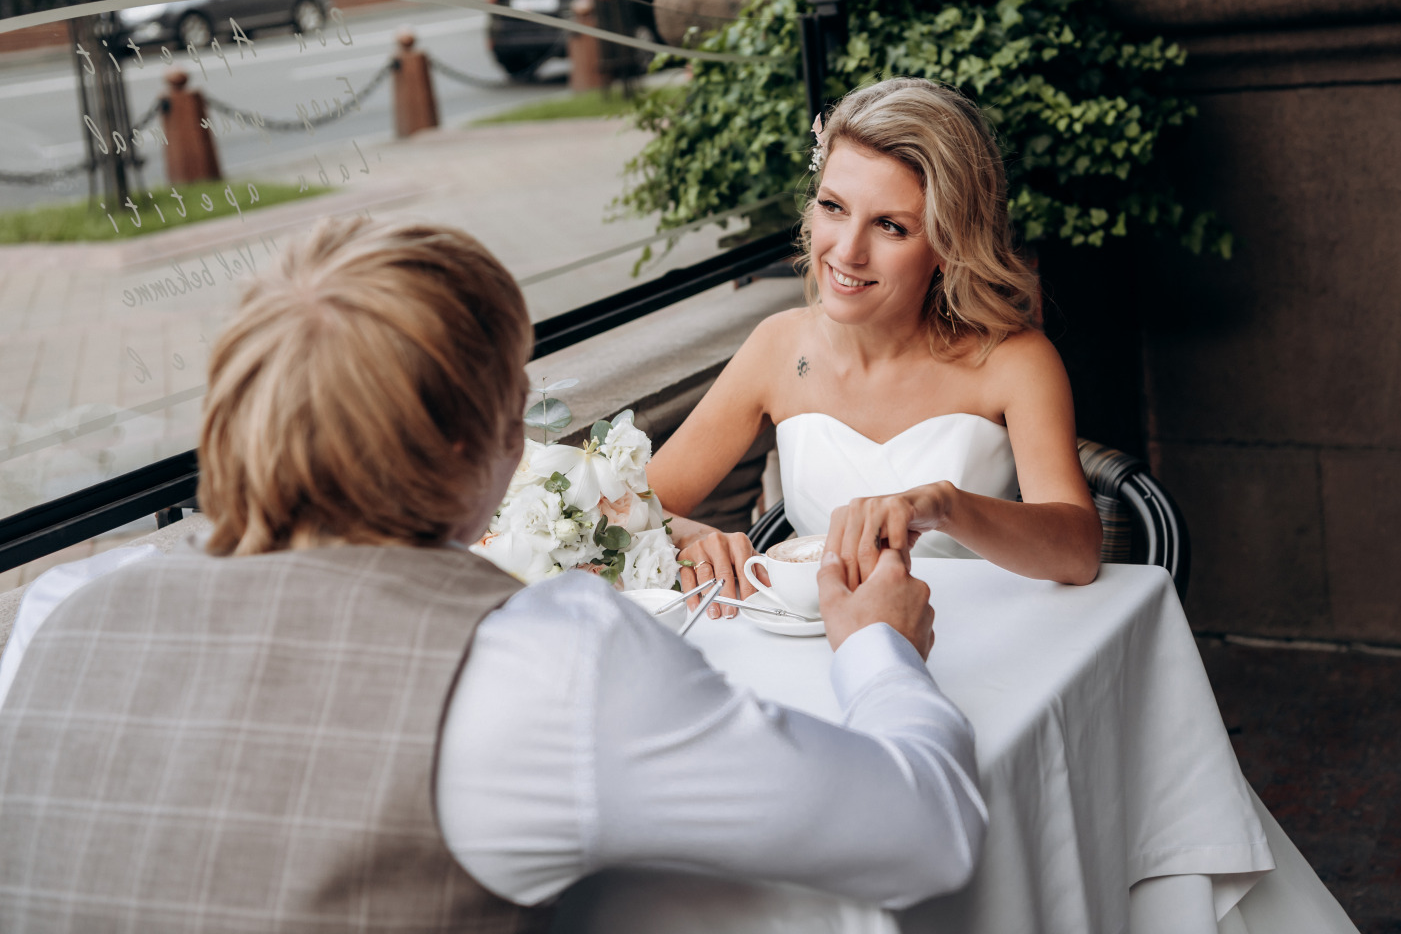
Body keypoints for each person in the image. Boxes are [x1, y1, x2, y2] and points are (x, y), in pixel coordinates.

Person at [0, 219, 984, 930]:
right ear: (481, 444)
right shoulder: (534, 669)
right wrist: (881, 648)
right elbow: (927, 835)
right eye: (519, 397)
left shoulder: (61, 611)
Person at [649, 77, 1104, 616]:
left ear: (948, 243)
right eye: (833, 207)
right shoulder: (778, 347)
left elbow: (1078, 553)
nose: (847, 251)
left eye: (890, 226)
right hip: (818, 648)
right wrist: (696, 538)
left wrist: (947, 506)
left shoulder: (1013, 362)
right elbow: (635, 508)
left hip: (986, 640)